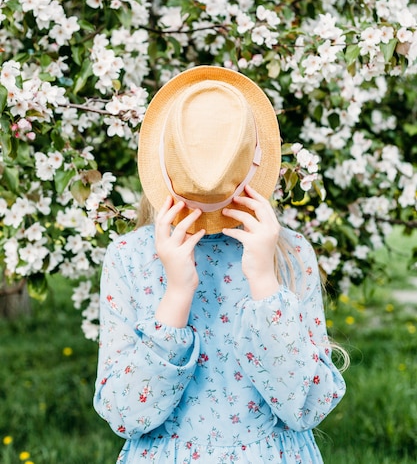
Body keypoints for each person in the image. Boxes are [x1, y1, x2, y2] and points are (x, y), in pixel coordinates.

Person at [93, 65, 346, 464]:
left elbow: (308, 407)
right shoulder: (131, 260)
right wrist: (176, 296)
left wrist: (264, 282)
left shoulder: (290, 254)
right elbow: (126, 414)